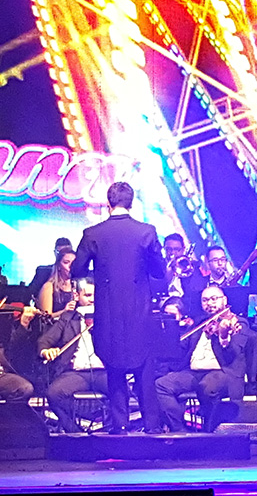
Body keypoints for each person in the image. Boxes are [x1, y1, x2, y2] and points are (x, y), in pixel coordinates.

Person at [71, 181, 166, 434]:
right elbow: (159, 271)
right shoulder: (146, 232)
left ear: (108, 203)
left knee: (114, 368)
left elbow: (77, 270)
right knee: (144, 369)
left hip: (109, 312)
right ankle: (152, 426)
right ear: (131, 203)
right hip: (140, 312)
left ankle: (120, 425)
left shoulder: (93, 233)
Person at [155, 285, 250, 432]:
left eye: (214, 299)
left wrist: (224, 336)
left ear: (224, 300)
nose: (209, 303)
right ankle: (179, 430)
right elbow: (181, 349)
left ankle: (208, 432)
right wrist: (171, 331)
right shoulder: (199, 322)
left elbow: (234, 353)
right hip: (194, 373)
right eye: (205, 300)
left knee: (206, 387)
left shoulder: (238, 322)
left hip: (223, 371)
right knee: (161, 385)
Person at [38, 277, 106, 432]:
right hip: (75, 373)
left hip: (104, 371)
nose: (92, 300)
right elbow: (45, 340)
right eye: (87, 295)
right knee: (53, 394)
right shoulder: (68, 318)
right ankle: (75, 432)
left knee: (122, 393)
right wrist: (46, 350)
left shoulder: (107, 317)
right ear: (77, 296)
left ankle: (109, 430)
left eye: (95, 295)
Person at [36, 246, 77, 320]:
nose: (71, 266)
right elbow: (45, 318)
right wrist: (64, 311)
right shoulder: (49, 287)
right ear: (58, 266)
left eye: (74, 263)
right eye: (66, 262)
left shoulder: (80, 285)